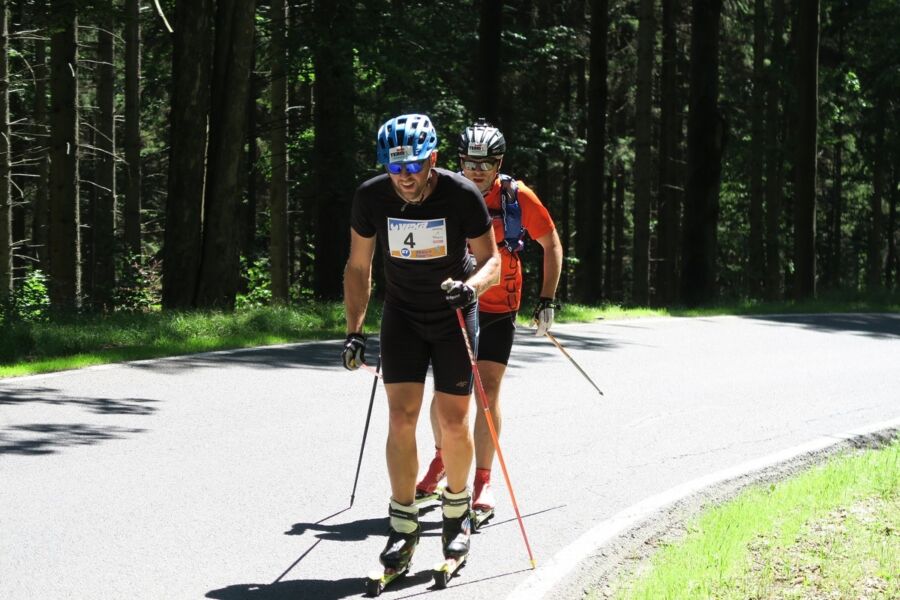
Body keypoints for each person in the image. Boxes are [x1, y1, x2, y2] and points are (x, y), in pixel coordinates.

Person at [342, 114, 501, 573]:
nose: (404, 178)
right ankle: (404, 525)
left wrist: (472, 288)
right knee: (400, 417)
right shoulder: (371, 197)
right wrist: (354, 330)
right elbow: (358, 267)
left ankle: (455, 517)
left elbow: (492, 261)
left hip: (453, 312)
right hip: (404, 316)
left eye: (412, 166)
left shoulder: (461, 194)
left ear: (432, 159)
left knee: (453, 423)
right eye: (395, 169)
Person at [415, 118, 563, 516]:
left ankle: (482, 479)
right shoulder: (441, 192)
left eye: (487, 162)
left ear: (499, 163)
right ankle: (443, 457)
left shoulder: (518, 198)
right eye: (469, 162)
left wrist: (547, 299)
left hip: (498, 306)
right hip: (453, 305)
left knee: (488, 391)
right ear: (458, 160)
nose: (477, 170)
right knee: (448, 392)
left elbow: (551, 244)